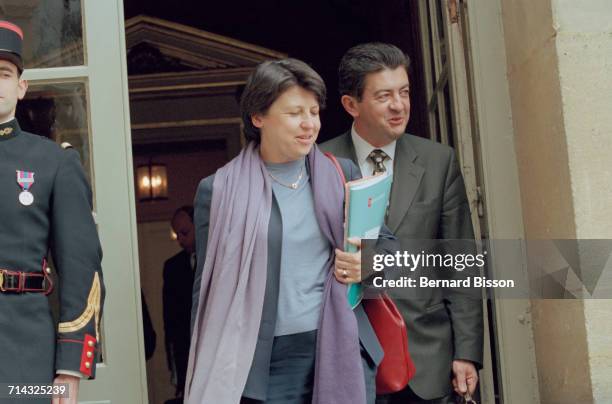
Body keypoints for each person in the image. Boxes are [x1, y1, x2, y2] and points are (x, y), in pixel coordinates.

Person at [186, 58, 398, 404]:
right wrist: (201, 370)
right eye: (294, 113)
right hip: (265, 361)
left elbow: (389, 246)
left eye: (314, 112)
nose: (309, 124)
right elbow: (206, 289)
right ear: (258, 117)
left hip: (340, 343)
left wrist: (366, 263)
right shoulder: (218, 190)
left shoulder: (342, 174)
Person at [320, 42, 483, 403]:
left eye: (404, 92)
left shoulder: (438, 161)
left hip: (428, 359)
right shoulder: (320, 163)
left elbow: (461, 261)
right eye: (384, 96)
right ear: (351, 105)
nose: (399, 105)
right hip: (349, 360)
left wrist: (466, 352)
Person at [0, 20, 104, 403]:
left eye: (3, 73)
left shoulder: (52, 162)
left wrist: (70, 366)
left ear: (21, 87)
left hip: (25, 351)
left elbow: (82, 266)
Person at [163, 206, 196, 401]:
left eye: (184, 233)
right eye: (177, 235)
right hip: (184, 349)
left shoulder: (219, 259)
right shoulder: (172, 267)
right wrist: (174, 367)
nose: (180, 240)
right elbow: (170, 320)